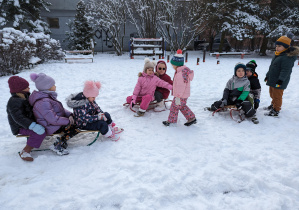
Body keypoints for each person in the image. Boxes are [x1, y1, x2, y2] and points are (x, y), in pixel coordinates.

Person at [29, 73, 79, 156]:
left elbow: (60, 110)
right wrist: (68, 121)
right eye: (53, 85)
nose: (55, 86)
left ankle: (61, 141)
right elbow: (53, 119)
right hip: (49, 126)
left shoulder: (47, 97)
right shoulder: (43, 102)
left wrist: (70, 115)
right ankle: (57, 145)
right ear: (47, 87)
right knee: (75, 126)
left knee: (75, 123)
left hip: (53, 123)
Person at [6, 76, 46, 161]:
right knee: (39, 133)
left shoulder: (25, 96)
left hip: (28, 123)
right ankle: (25, 151)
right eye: (26, 87)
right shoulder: (14, 102)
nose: (29, 88)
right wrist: (33, 126)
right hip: (19, 127)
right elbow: (19, 118)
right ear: (20, 90)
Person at [264, 35, 299, 116]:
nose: (277, 48)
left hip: (280, 80)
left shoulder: (287, 57)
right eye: (276, 46)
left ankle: (276, 110)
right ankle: (273, 105)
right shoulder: (277, 54)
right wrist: (267, 76)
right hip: (273, 78)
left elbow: (286, 70)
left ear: (286, 47)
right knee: (272, 93)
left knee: (277, 95)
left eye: (279, 46)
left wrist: (281, 80)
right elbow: (272, 67)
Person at [162, 49, 196, 126]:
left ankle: (171, 121)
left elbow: (181, 86)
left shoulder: (180, 74)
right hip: (183, 95)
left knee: (174, 107)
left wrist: (178, 96)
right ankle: (191, 118)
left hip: (180, 95)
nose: (172, 66)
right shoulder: (182, 71)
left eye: (173, 65)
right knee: (182, 106)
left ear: (177, 64)